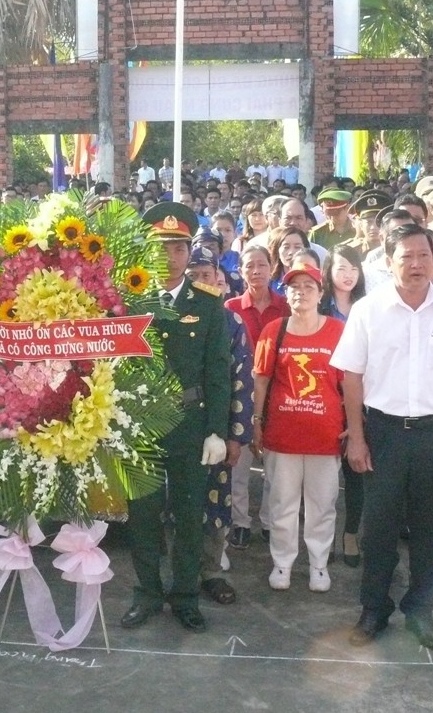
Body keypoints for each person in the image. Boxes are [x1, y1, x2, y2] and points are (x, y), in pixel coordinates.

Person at [333, 223, 433, 651]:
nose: (417, 264)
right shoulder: (369, 310)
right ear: (389, 263)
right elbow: (351, 378)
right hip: (382, 433)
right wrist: (358, 438)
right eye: (407, 257)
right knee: (377, 529)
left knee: (428, 528)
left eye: (424, 255)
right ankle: (374, 608)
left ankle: (420, 611)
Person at [122, 202, 231, 634]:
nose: (167, 256)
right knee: (143, 514)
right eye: (159, 248)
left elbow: (218, 371)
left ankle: (185, 595)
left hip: (190, 422)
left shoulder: (206, 305)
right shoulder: (128, 302)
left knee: (188, 515)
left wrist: (217, 431)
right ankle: (147, 593)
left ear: (190, 254)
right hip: (140, 422)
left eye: (176, 248)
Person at [252, 259, 345, 593]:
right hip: (283, 436)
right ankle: (283, 563)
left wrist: (352, 425)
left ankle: (319, 564)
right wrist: (257, 423)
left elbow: (348, 382)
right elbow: (261, 381)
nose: (301, 293)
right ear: (285, 293)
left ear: (321, 293)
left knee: (322, 504)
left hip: (325, 436)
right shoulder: (273, 330)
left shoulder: (337, 330)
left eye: (309, 287)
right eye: (294, 287)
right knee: (282, 503)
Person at [186, 245, 251, 607]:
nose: (199, 282)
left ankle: (211, 571)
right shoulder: (168, 311)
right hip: (179, 423)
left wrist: (236, 435)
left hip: (217, 427)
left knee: (215, 502)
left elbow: (241, 380)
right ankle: (180, 573)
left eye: (206, 276)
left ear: (219, 279)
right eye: (193, 276)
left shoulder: (232, 322)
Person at [224, 245, 290, 550]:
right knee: (239, 464)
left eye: (262, 265)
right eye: (249, 266)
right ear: (240, 271)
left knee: (274, 469)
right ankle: (239, 522)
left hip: (279, 396)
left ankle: (268, 521)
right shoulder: (231, 308)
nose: (256, 271)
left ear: (271, 267)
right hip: (240, 394)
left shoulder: (285, 307)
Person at [319, 244, 367, 567]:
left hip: (359, 396)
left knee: (356, 472)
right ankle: (321, 539)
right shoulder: (319, 306)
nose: (348, 275)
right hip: (323, 396)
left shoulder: (369, 307)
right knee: (322, 476)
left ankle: (350, 534)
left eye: (354, 268)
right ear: (328, 273)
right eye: (341, 268)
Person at [269, 226, 311, 296]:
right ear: (277, 251)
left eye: (297, 247)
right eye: (286, 247)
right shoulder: (269, 283)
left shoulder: (315, 281)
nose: (291, 252)